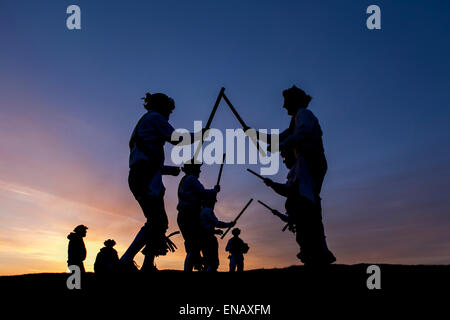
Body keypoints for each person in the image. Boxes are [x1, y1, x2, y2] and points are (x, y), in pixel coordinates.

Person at [120, 91, 196, 272]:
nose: (170, 115)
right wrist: (200, 135)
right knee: (156, 222)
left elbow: (145, 159)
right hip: (145, 177)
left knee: (158, 222)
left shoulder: (145, 122)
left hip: (144, 175)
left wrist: (168, 170)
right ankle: (125, 260)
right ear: (162, 107)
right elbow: (176, 138)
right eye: (169, 111)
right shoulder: (154, 117)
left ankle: (146, 264)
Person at [264, 85, 335, 266]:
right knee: (308, 207)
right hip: (308, 166)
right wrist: (253, 134)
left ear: (294, 100)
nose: (283, 106)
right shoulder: (295, 120)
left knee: (309, 207)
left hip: (312, 164)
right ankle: (318, 252)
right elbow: (279, 138)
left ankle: (318, 253)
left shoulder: (304, 114)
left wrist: (280, 146)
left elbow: (302, 134)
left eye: (285, 101)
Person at [177, 162, 219, 271]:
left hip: (186, 215)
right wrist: (214, 191)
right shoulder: (191, 179)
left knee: (193, 246)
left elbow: (200, 197)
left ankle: (194, 266)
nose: (200, 172)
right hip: (189, 215)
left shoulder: (186, 180)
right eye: (198, 169)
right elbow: (202, 193)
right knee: (194, 246)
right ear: (193, 169)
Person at [199, 197, 235, 272]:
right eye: (213, 202)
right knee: (213, 262)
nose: (214, 204)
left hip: (203, 238)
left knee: (207, 261)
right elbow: (216, 223)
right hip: (209, 239)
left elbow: (205, 227)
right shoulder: (207, 211)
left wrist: (215, 231)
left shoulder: (201, 211)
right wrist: (229, 224)